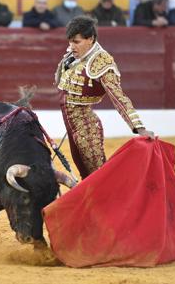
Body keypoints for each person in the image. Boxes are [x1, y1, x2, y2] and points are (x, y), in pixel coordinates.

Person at [55, 15, 154, 178]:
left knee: (98, 174)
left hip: (86, 127)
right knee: (86, 174)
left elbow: (118, 97)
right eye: (70, 41)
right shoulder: (75, 55)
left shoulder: (102, 62)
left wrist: (139, 128)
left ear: (90, 39)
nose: (72, 46)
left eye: (76, 42)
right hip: (72, 123)